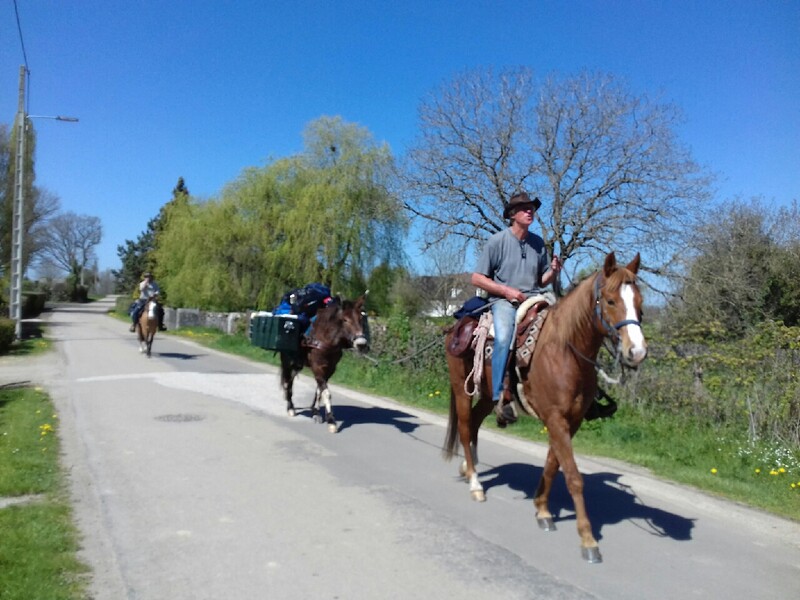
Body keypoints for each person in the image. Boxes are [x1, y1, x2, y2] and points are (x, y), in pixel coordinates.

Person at [471, 191, 562, 425]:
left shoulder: (538, 243)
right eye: (524, 208)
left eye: (531, 208)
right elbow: (477, 278)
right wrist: (506, 291)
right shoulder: (497, 241)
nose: (530, 211)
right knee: (504, 337)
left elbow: (541, 281)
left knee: (561, 329)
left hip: (534, 297)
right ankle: (500, 394)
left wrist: (553, 271)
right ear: (513, 214)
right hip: (504, 301)